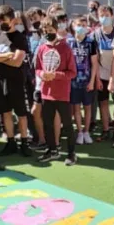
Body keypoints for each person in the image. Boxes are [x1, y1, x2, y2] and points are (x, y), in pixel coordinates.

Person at [0, 5, 33, 157]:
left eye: (5, 20)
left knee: (21, 113)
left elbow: (17, 62)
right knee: (5, 113)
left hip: (16, 81)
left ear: (13, 20)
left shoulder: (20, 38)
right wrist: (7, 56)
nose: (2, 24)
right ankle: (11, 142)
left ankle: (24, 142)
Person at [33, 18, 77, 165]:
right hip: (46, 93)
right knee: (48, 123)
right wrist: (41, 74)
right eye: (45, 31)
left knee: (67, 124)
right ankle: (52, 150)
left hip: (62, 93)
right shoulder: (41, 48)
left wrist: (56, 75)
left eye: (50, 31)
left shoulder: (66, 48)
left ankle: (71, 153)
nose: (48, 34)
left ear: (56, 30)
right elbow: (38, 68)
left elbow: (72, 72)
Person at [67, 16, 99, 146]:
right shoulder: (69, 42)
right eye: (79, 24)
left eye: (84, 25)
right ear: (73, 25)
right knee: (76, 108)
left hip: (86, 81)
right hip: (73, 82)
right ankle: (79, 131)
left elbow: (94, 64)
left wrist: (92, 81)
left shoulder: (91, 43)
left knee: (88, 108)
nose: (81, 27)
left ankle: (86, 131)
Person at [91, 5, 114, 145]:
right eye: (101, 15)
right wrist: (97, 78)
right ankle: (106, 129)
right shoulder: (95, 34)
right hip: (101, 74)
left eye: (107, 15)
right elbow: (94, 59)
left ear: (112, 16)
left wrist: (113, 79)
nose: (104, 18)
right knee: (103, 102)